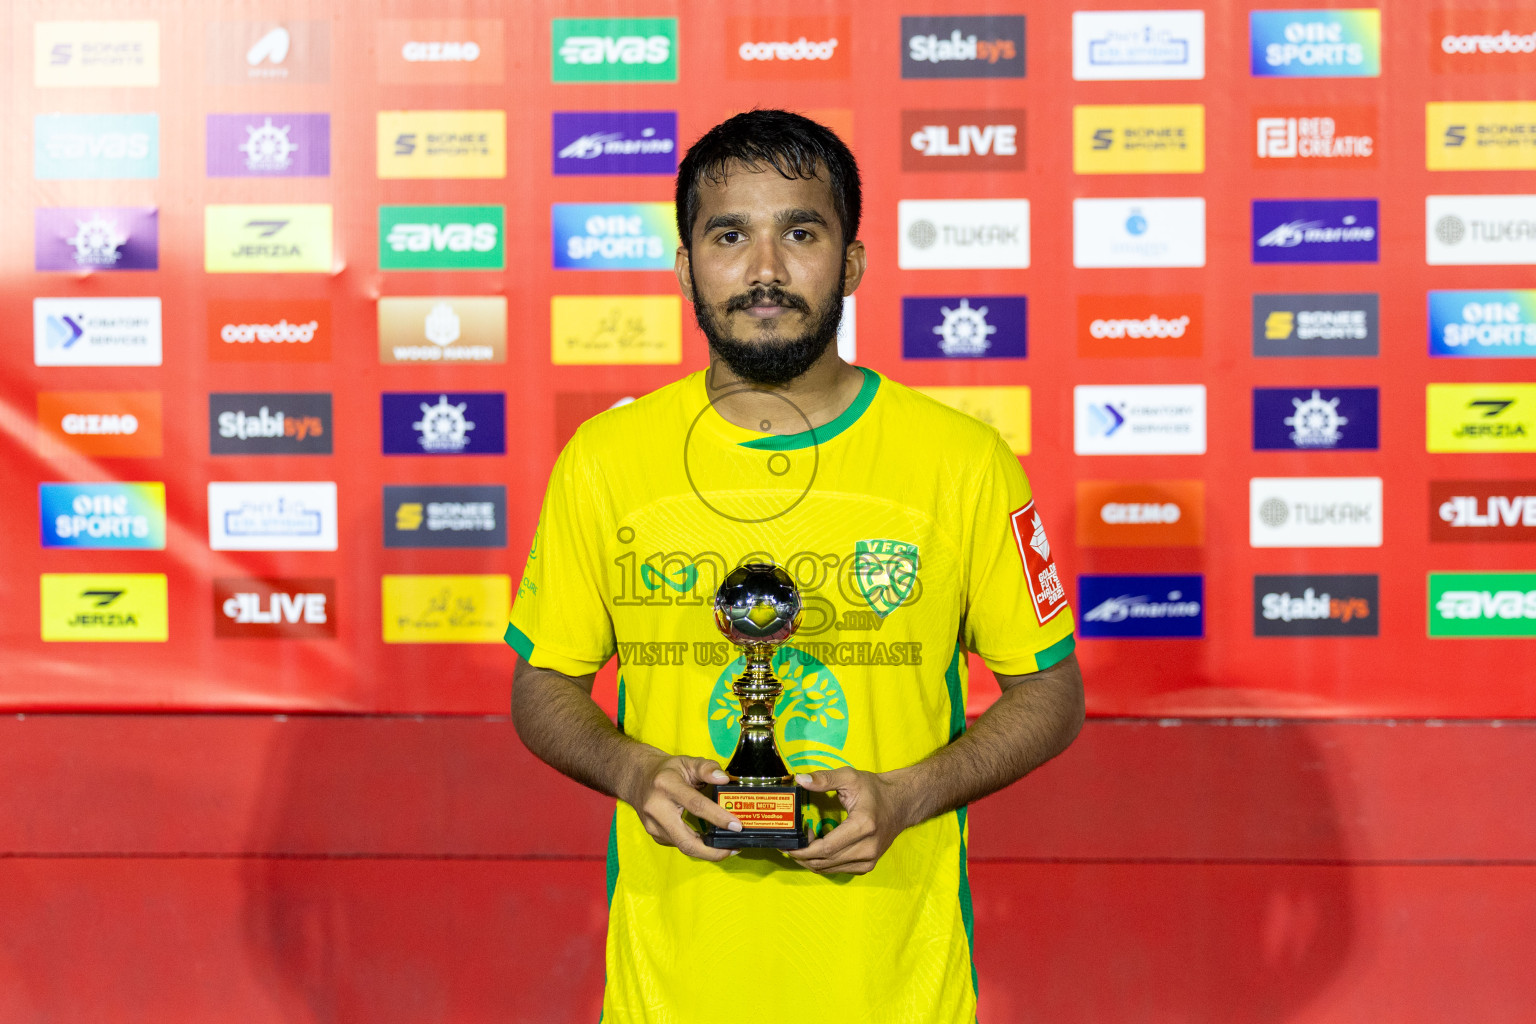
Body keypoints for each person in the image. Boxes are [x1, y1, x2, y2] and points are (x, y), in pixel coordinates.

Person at [508, 109, 1084, 1024]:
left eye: (801, 233)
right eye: (730, 235)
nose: (765, 270)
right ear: (686, 265)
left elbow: (1052, 693)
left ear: (851, 263)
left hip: (895, 992)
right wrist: (632, 772)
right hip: (673, 991)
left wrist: (908, 795)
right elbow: (543, 684)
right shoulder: (605, 460)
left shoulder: (962, 462)